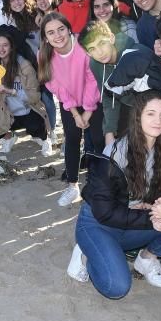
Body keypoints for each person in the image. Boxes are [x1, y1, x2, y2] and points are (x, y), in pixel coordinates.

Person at [67, 91, 161, 297]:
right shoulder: (116, 152)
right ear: (138, 116)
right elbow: (104, 211)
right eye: (151, 114)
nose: (158, 121)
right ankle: (86, 253)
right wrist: (149, 218)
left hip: (131, 222)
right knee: (116, 288)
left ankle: (146, 258)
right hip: (99, 224)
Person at [39, 13, 103, 207]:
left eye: (60, 29)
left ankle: (103, 184)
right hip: (70, 103)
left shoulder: (83, 46)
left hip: (93, 99)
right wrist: (75, 113)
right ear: (45, 37)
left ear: (68, 29)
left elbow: (93, 78)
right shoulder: (44, 54)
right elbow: (54, 85)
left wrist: (88, 111)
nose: (57, 35)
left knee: (99, 140)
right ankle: (72, 186)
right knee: (73, 139)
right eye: (51, 32)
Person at [0, 29, 51, 154]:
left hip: (28, 110)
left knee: (34, 126)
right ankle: (8, 137)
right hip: (9, 116)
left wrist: (11, 91)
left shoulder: (25, 66)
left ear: (11, 47)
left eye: (5, 45)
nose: (1, 49)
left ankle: (44, 139)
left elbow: (34, 97)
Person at [80, 18, 139, 146]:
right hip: (125, 105)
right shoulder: (95, 64)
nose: (99, 53)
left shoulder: (135, 54)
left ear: (111, 38)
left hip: (149, 106)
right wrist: (109, 131)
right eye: (92, 49)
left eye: (101, 43)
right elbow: (108, 97)